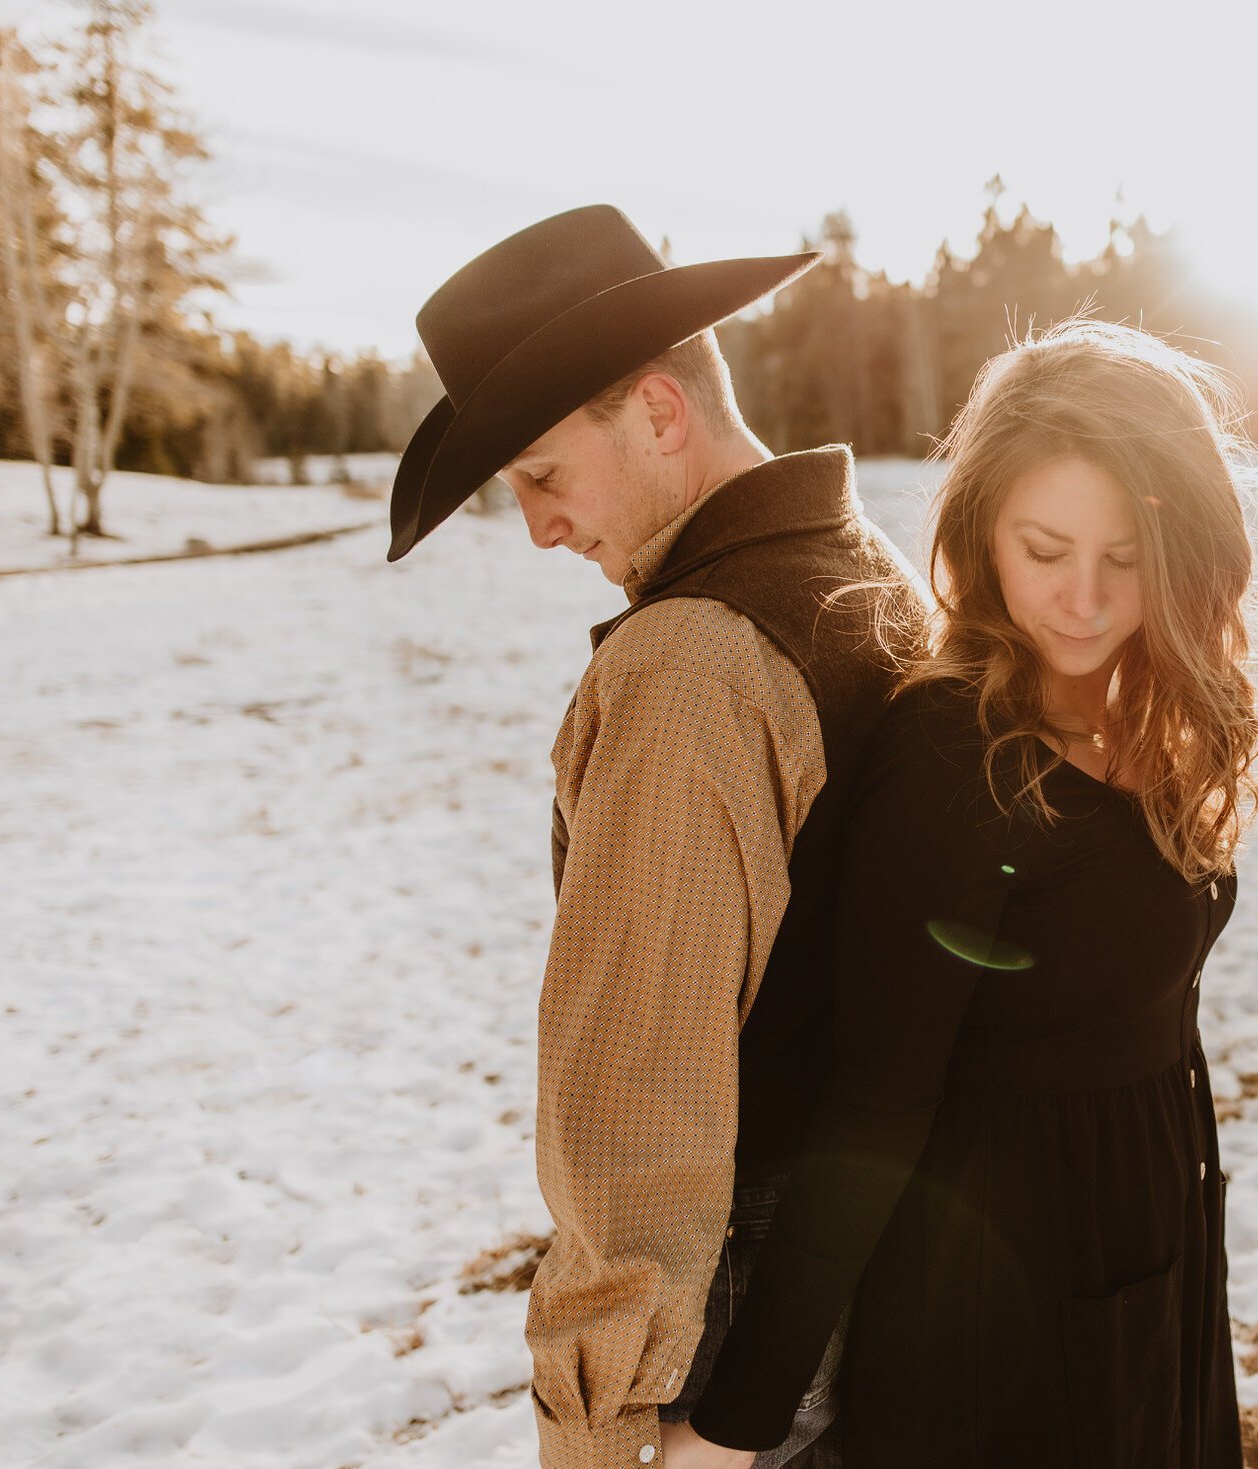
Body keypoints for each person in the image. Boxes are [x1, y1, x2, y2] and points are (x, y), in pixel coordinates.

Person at [669, 317, 1258, 1469]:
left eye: (1127, 557)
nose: (1085, 599)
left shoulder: (1150, 703)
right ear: (980, 529)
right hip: (1001, 1318)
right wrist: (737, 1420)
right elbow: (877, 1098)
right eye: (1045, 548)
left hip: (1151, 1259)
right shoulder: (956, 755)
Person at [386, 204, 929, 1469]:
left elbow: (638, 1098)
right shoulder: (862, 567)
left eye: (541, 475)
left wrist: (601, 1425)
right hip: (870, 1254)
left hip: (724, 1314)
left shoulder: (689, 663)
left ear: (659, 411)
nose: (537, 526)